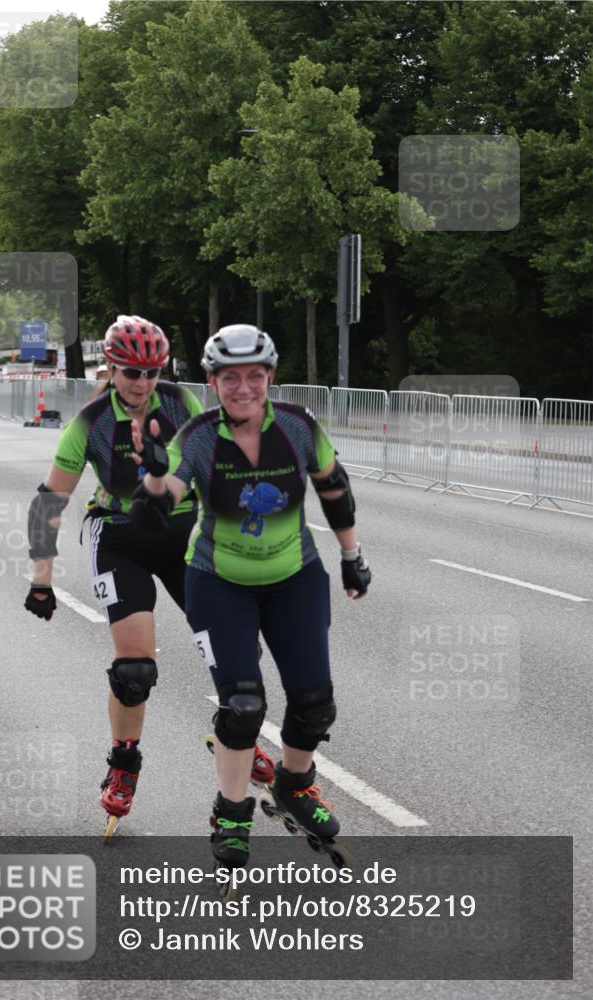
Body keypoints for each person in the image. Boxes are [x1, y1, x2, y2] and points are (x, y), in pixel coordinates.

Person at [130, 323, 371, 868]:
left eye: (254, 376)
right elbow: (163, 500)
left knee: (315, 703)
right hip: (219, 581)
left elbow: (335, 487)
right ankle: (231, 812)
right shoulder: (195, 437)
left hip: (295, 576)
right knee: (242, 706)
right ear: (212, 381)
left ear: (270, 377)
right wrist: (151, 478)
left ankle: (295, 783)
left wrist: (352, 557)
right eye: (230, 377)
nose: (243, 387)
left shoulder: (297, 425)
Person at [23, 316, 274, 837]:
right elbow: (50, 499)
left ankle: (238, 734)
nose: (141, 382)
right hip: (120, 538)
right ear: (111, 368)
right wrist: (41, 578)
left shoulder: (182, 408)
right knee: (135, 672)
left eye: (152, 371)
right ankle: (123, 762)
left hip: (182, 537)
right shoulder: (89, 424)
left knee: (238, 649)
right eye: (132, 371)